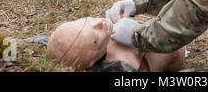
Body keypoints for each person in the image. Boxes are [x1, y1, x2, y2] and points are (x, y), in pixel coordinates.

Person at [46, 17, 185, 72]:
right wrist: (144, 34)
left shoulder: (107, 34)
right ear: (92, 61)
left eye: (86, 21)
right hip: (172, 46)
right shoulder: (124, 64)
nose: (98, 22)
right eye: (95, 38)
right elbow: (169, 50)